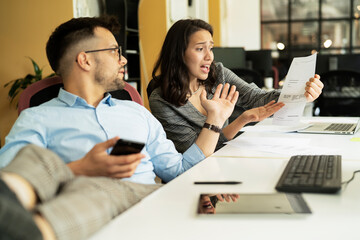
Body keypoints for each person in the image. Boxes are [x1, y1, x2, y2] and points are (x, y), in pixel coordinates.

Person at [0, 15, 237, 240]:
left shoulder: (136, 113)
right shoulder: (37, 117)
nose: (123, 59)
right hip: (77, 215)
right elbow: (9, 174)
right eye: (115, 51)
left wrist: (215, 120)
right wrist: (80, 168)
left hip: (143, 202)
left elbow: (179, 171)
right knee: (34, 159)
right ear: (85, 60)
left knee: (98, 187)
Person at [149, 19, 323, 153]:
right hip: (195, 178)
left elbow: (256, 97)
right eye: (200, 49)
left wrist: (301, 92)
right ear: (179, 54)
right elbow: (197, 155)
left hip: (226, 159)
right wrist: (241, 120)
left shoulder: (218, 73)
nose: (209, 57)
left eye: (211, 48)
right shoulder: (162, 100)